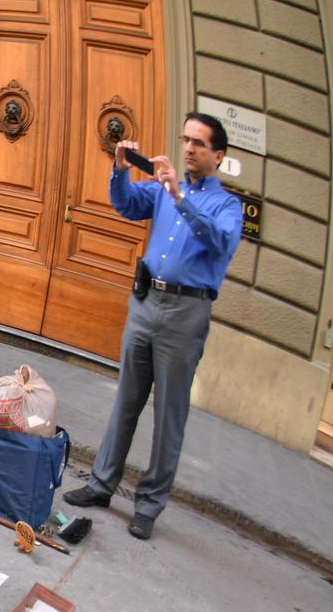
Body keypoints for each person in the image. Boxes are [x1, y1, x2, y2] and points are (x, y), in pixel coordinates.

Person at [62, 113, 243, 540]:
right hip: (147, 302)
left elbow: (220, 241)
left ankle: (149, 504)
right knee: (127, 398)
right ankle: (101, 484)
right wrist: (121, 170)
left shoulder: (225, 205)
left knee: (169, 414)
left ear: (218, 155)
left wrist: (180, 196)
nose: (188, 148)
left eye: (199, 143)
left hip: (187, 312)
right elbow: (126, 204)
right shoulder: (161, 188)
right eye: (185, 139)